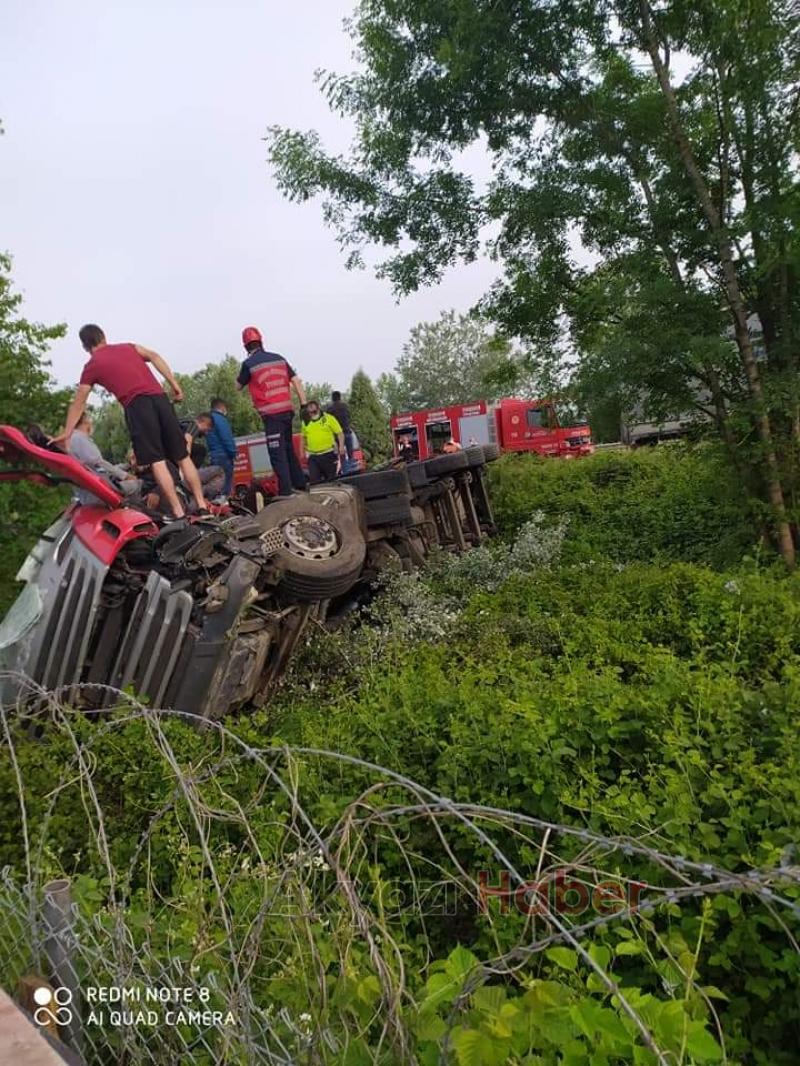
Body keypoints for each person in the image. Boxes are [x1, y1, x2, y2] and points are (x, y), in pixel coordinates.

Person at [55, 324, 207, 519]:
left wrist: (67, 433)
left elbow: (79, 401)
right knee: (182, 457)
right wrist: (174, 385)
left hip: (137, 405)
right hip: (160, 399)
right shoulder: (129, 347)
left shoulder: (92, 366)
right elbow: (154, 356)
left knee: (157, 461)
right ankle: (202, 505)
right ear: (103, 337)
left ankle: (179, 513)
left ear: (85, 347)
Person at [236, 325, 307, 496]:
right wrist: (303, 403)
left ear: (245, 346)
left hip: (271, 415)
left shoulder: (249, 364)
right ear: (261, 341)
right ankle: (300, 483)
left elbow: (237, 386)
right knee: (289, 448)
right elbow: (296, 380)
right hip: (287, 411)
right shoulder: (279, 358)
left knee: (277, 452)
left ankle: (285, 491)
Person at [68, 411, 142, 502]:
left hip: (88, 490)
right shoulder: (79, 439)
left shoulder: (72, 440)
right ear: (84, 420)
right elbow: (100, 464)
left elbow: (98, 468)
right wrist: (125, 476)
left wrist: (126, 466)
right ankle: (138, 513)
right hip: (99, 492)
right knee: (138, 484)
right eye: (89, 419)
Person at [301, 400, 346, 484]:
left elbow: (340, 433)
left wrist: (341, 447)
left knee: (331, 481)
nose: (312, 414)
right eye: (310, 412)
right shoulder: (305, 422)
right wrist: (302, 453)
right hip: (313, 457)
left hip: (328, 454)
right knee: (315, 482)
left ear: (318, 409)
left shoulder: (328, 418)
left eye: (314, 411)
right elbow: (303, 438)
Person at [205, 398, 237, 496]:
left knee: (217, 484)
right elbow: (226, 437)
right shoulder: (220, 419)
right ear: (222, 407)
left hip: (214, 456)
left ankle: (216, 505)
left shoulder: (209, 419)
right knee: (225, 485)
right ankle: (223, 504)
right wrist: (234, 452)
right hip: (224, 456)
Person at [326, 390, 354, 460]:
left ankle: (342, 467)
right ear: (340, 397)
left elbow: (327, 422)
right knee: (350, 453)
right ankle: (351, 466)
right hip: (347, 432)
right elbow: (349, 416)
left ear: (332, 398)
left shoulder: (329, 409)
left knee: (340, 455)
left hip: (337, 435)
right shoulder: (345, 406)